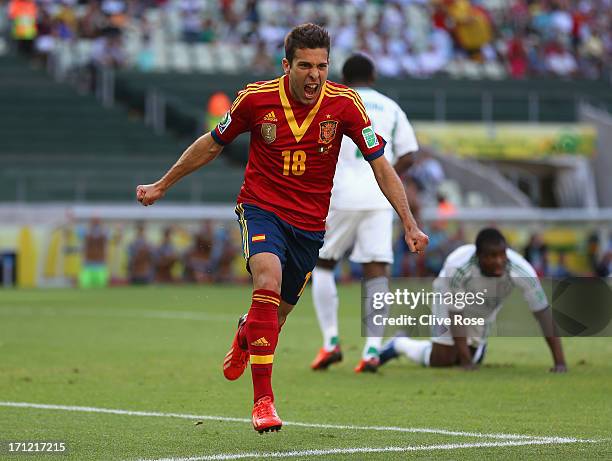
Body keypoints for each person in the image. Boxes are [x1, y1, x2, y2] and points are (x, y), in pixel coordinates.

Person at [136, 23, 428, 433]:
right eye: (305, 65)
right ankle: (263, 402)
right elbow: (212, 143)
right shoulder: (255, 99)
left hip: (310, 224)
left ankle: (245, 335)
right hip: (261, 208)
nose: (315, 75)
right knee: (267, 282)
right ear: (286, 65)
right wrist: (162, 184)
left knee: (276, 317)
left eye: (322, 66)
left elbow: (382, 164)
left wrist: (409, 224)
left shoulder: (346, 104)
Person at [309, 53, 419, 373]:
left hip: (339, 195)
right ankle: (371, 349)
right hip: (379, 199)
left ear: (342, 76)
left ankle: (330, 341)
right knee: (376, 269)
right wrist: (387, 176)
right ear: (372, 76)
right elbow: (410, 154)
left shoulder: (332, 102)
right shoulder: (391, 108)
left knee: (324, 264)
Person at [379, 228, 567, 373]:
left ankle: (472, 353)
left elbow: (543, 313)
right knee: (443, 360)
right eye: (492, 256)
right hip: (448, 298)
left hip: (485, 308)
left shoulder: (522, 271)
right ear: (479, 256)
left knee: (467, 358)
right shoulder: (457, 267)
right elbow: (456, 313)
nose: (499, 261)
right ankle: (399, 343)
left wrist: (559, 362)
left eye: (502, 255)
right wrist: (466, 362)